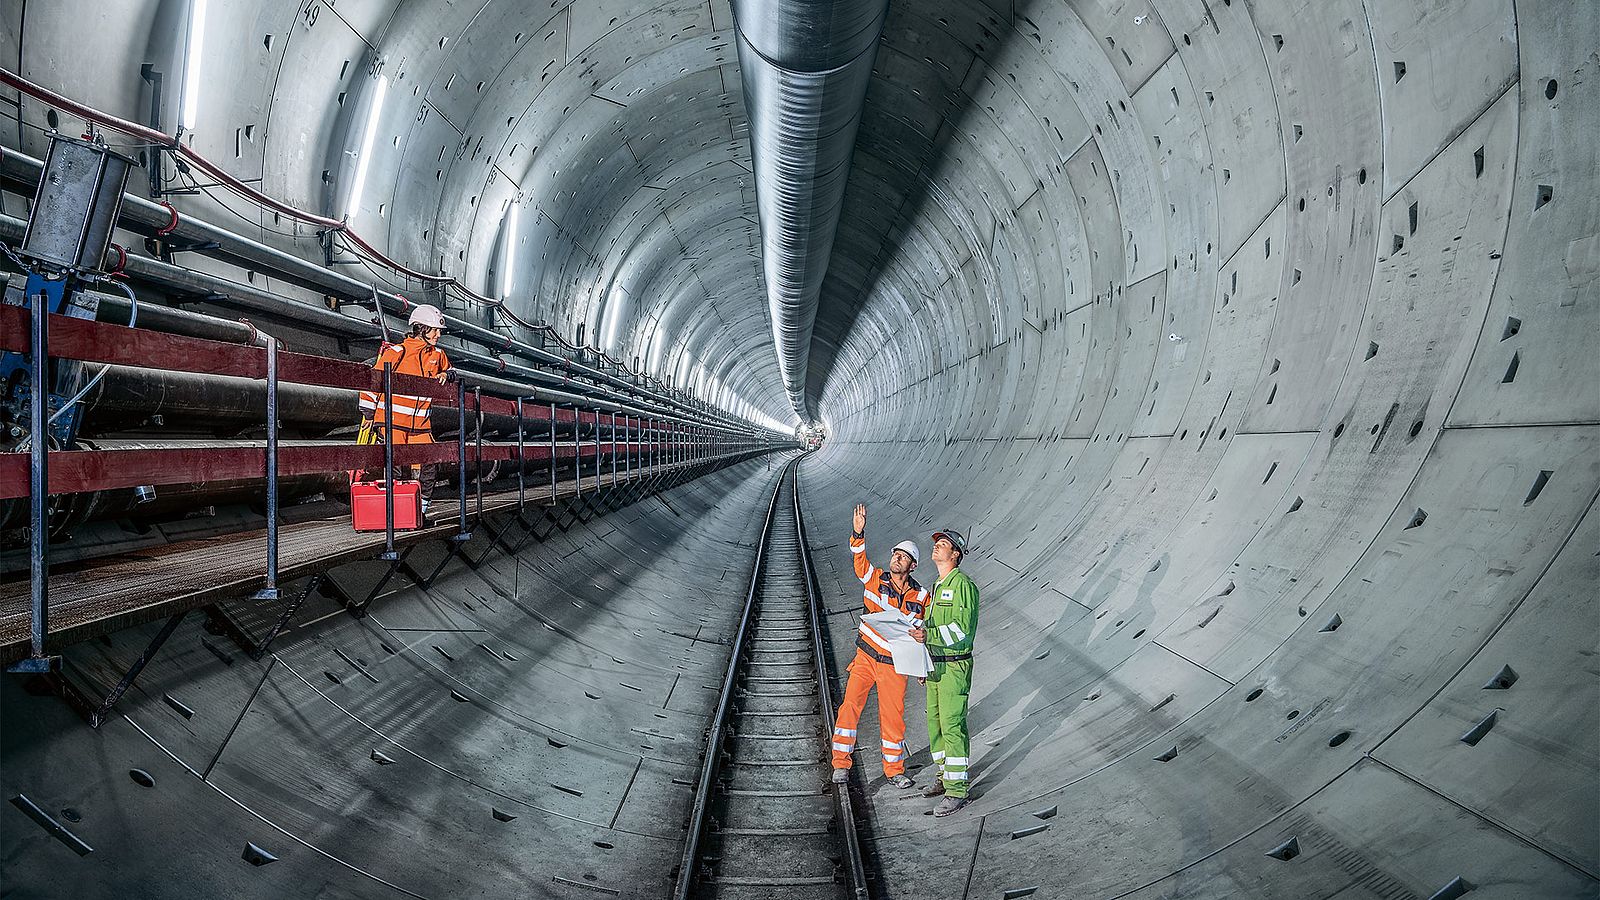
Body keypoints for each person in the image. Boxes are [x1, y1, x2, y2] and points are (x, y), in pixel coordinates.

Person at [830, 502, 928, 789]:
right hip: (865, 658)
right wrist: (858, 533)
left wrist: (922, 662)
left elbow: (921, 631)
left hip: (894, 664)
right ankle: (840, 764)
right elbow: (859, 561)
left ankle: (894, 770)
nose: (897, 559)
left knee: (893, 719)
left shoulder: (922, 597)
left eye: (903, 557)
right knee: (850, 707)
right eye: (895, 554)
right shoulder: (875, 579)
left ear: (913, 565)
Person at [357, 304, 452, 515]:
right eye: (434, 330)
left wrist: (447, 375)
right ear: (420, 329)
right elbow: (374, 382)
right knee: (396, 466)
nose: (438, 334)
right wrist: (370, 415)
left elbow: (450, 370)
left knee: (430, 463)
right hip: (392, 422)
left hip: (419, 425)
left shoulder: (437, 355)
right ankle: (396, 513)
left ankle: (420, 511)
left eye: (439, 330)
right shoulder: (397, 352)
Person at [911, 527, 978, 816]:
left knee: (952, 725)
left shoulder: (962, 585)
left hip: (954, 665)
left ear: (956, 554)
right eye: (936, 543)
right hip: (936, 665)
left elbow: (961, 631)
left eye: (944, 544)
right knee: (935, 726)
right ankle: (944, 777)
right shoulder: (937, 586)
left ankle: (957, 790)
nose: (937, 547)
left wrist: (930, 638)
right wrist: (923, 662)